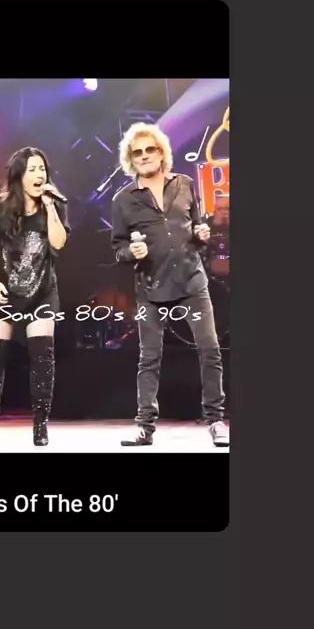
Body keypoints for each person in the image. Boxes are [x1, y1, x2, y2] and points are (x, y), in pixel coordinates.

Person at [111, 123, 229, 447]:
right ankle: (144, 427)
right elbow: (118, 248)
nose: (144, 155)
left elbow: (195, 229)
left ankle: (216, 420)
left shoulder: (185, 184)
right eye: (137, 152)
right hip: (151, 286)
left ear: (162, 153)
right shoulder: (123, 200)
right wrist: (130, 252)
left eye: (150, 149)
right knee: (149, 358)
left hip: (191, 281)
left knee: (210, 350)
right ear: (130, 159)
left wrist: (201, 235)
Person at [0, 147, 70, 447]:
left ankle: (40, 426)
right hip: (3, 291)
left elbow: (59, 243)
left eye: (42, 169)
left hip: (42, 291)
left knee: (42, 358)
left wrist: (51, 208)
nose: (39, 174)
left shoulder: (54, 204)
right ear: (19, 175)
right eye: (32, 169)